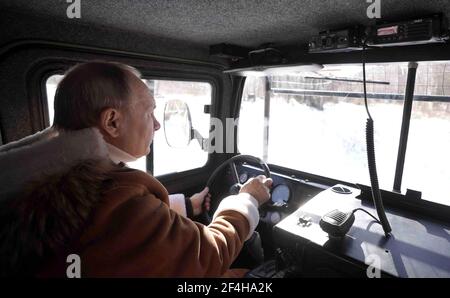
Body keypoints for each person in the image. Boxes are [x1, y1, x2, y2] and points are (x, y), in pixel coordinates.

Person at [0, 61, 273, 277]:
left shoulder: (47, 181)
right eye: (149, 112)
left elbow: (125, 231)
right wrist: (245, 201)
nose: (156, 125)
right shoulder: (116, 195)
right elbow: (208, 256)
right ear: (112, 122)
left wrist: (188, 206)